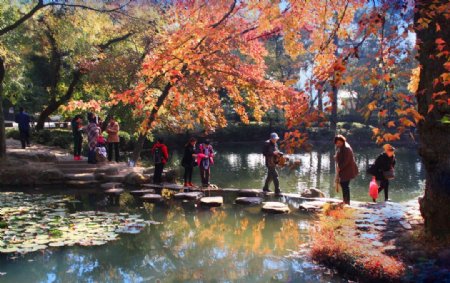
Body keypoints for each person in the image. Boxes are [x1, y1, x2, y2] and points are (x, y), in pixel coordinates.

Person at [334, 135, 359, 205]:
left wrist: (340, 167)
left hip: (348, 170)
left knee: (345, 185)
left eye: (339, 142)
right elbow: (340, 156)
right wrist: (336, 157)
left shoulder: (347, 148)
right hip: (344, 169)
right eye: (337, 142)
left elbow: (347, 161)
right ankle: (345, 200)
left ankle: (347, 202)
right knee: (343, 184)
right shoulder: (341, 147)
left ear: (343, 141)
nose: (338, 144)